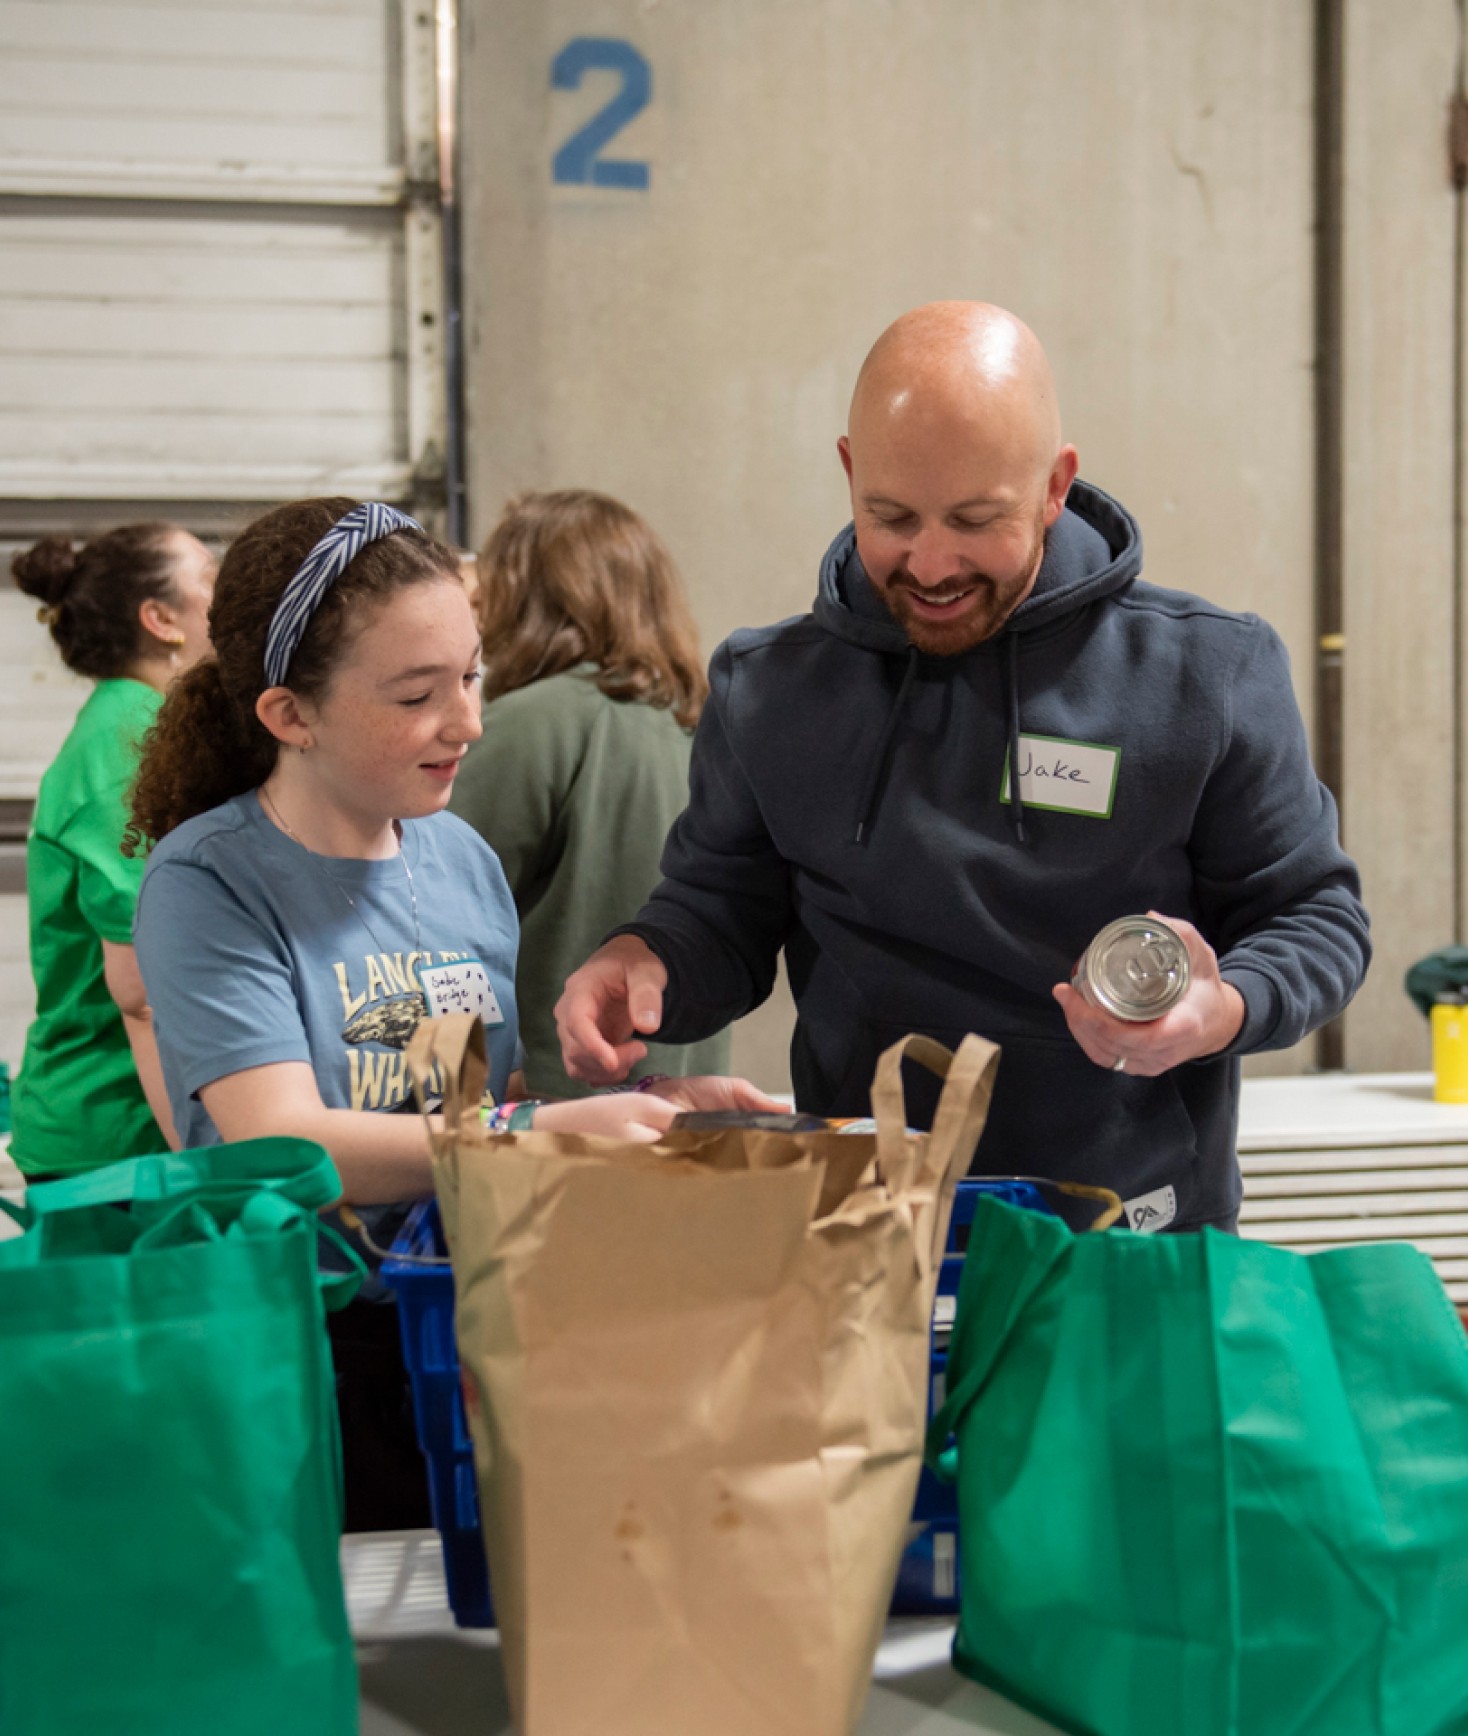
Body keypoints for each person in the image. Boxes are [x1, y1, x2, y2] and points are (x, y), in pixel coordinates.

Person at [555, 302, 1372, 1235]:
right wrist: (646, 958)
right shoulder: (768, 690)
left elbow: (1315, 917)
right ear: (850, 472)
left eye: (976, 520)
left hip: (1130, 1235)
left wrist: (1224, 1007)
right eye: (890, 516)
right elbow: (720, 914)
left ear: (1057, 484)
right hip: (867, 1234)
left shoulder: (1207, 677)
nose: (931, 562)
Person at [126, 497, 775, 1527]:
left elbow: (472, 1098)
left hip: (459, 1325)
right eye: (418, 693)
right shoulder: (208, 881)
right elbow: (283, 1139)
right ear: (290, 714)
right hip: (298, 1355)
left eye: (470, 674)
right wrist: (545, 1131)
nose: (469, 720)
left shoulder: (459, 857)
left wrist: (643, 1112)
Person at [450, 489, 732, 1097]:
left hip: (556, 1111)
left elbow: (429, 908)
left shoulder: (536, 720)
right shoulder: (700, 723)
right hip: (682, 1108)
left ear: (523, 595)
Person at [9, 522, 216, 1178]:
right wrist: (207, 1158)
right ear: (161, 619)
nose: (231, 595)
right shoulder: (126, 749)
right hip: (117, 1145)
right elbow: (145, 989)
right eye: (210, 580)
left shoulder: (152, 725)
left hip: (138, 1133)